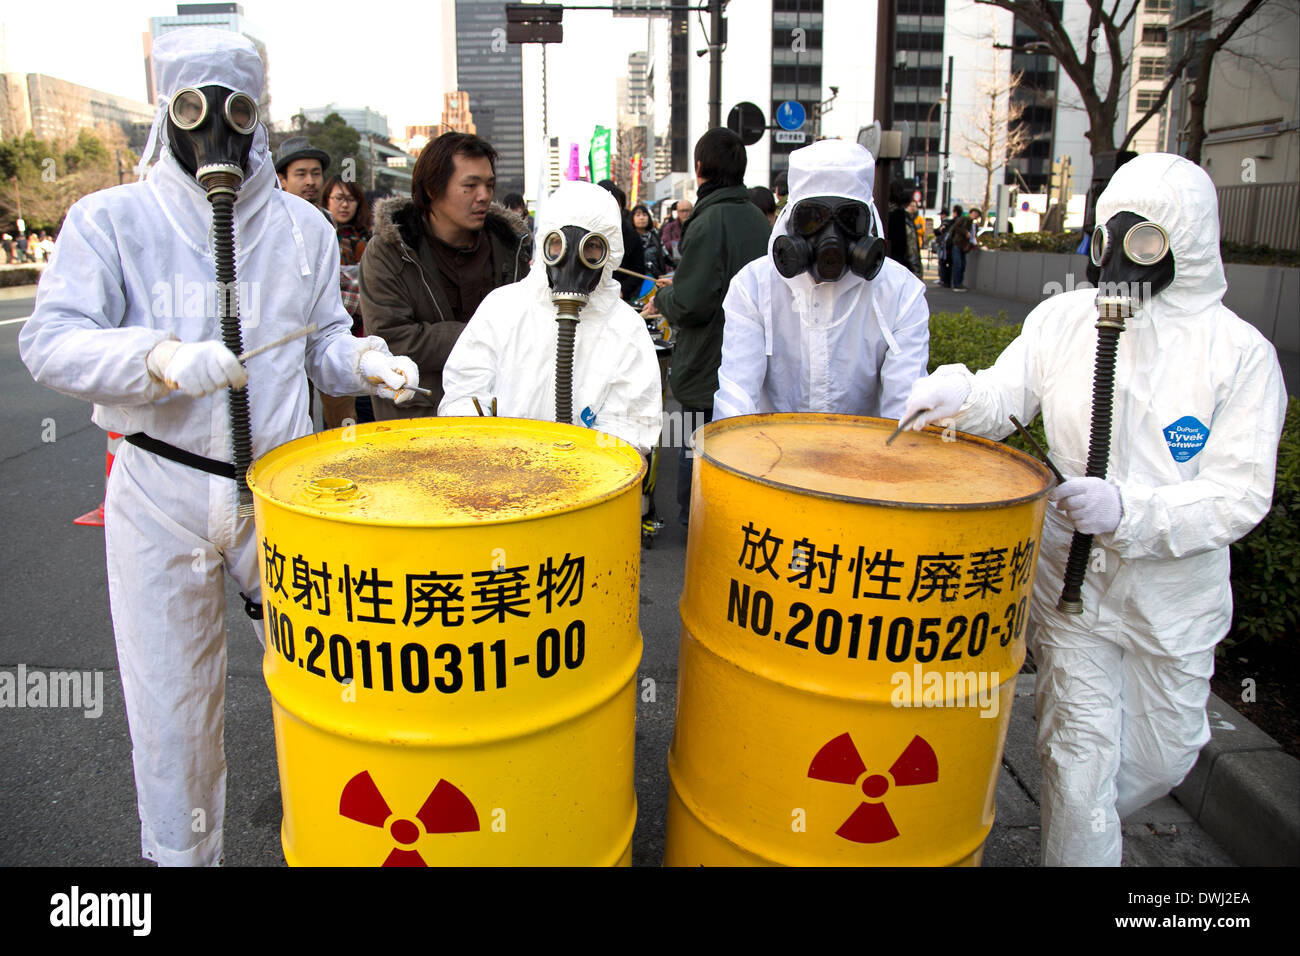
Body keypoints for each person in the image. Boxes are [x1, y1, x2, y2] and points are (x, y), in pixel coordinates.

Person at [18, 27, 419, 866]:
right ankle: (180, 858)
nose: (219, 133)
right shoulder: (111, 220)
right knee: (171, 713)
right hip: (159, 494)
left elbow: (321, 343)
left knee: (334, 688)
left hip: (279, 496)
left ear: (259, 115)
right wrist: (157, 359)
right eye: (195, 107)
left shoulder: (302, 230)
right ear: (169, 111)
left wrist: (369, 361)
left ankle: (347, 843)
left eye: (237, 110)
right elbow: (50, 340)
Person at [900, 152, 1287, 867]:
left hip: (1169, 606)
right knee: (1077, 764)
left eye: (1148, 238)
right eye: (1113, 233)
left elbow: (1239, 494)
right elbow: (1004, 395)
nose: (1122, 255)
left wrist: (1131, 511)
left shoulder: (1240, 357)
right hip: (1070, 592)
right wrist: (958, 396)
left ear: (1190, 241)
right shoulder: (1066, 322)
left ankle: (1087, 827)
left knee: (1165, 755)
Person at [440, 180, 663, 457]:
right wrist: (488, 452)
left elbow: (631, 428)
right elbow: (464, 393)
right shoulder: (502, 308)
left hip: (585, 487)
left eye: (591, 247)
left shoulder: (625, 329)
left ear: (610, 254)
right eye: (558, 243)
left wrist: (574, 467)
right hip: (499, 479)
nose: (572, 260)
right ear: (544, 245)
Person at [715, 140, 929, 420]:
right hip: (769, 457)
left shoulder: (901, 293)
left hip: (865, 458)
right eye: (812, 218)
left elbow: (904, 410)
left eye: (850, 219)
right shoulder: (754, 287)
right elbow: (736, 399)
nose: (830, 237)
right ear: (790, 220)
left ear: (869, 223)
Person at [643, 127, 770, 525]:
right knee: (735, 448)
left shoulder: (708, 220)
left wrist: (663, 298)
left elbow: (692, 304)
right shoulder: (757, 219)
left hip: (706, 360)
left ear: (699, 168)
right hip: (750, 361)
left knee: (691, 442)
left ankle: (694, 521)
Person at [360, 131, 532, 418]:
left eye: (489, 185)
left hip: (501, 416)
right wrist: (485, 334)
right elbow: (392, 338)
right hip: (419, 418)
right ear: (432, 189)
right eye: (470, 185)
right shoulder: (391, 252)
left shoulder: (510, 247)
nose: (484, 196)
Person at [321, 175, 375, 425]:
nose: (345, 205)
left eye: (351, 199)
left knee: (366, 408)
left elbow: (377, 286)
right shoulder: (322, 235)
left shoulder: (371, 238)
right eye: (339, 198)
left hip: (366, 336)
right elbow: (324, 293)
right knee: (339, 417)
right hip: (328, 340)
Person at [597, 180, 647, 303]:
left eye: (616, 203)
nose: (611, 207)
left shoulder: (631, 234)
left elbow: (638, 270)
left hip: (620, 299)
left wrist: (622, 290)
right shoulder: (586, 231)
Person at [275, 136, 330, 207]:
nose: (310, 182)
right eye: (301, 174)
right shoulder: (273, 216)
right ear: (281, 180)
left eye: (316, 174)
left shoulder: (327, 217)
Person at [886, 180, 923, 278]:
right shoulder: (903, 218)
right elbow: (912, 249)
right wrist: (916, 273)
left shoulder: (877, 213)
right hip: (900, 267)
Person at [631, 203, 667, 278]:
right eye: (638, 215)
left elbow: (665, 255)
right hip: (635, 279)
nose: (642, 218)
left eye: (644, 215)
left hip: (656, 278)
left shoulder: (654, 235)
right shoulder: (629, 236)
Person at [659, 198, 691, 266]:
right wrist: (679, 241)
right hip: (675, 265)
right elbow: (664, 247)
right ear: (677, 212)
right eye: (682, 211)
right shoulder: (669, 228)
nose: (685, 214)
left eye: (687, 210)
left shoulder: (697, 225)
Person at [949, 206, 974, 291]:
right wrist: (965, 232)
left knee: (962, 265)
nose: (975, 215)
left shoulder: (973, 223)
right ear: (971, 213)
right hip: (957, 244)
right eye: (974, 213)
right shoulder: (964, 219)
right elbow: (955, 227)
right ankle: (957, 284)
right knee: (958, 264)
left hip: (963, 246)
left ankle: (959, 283)